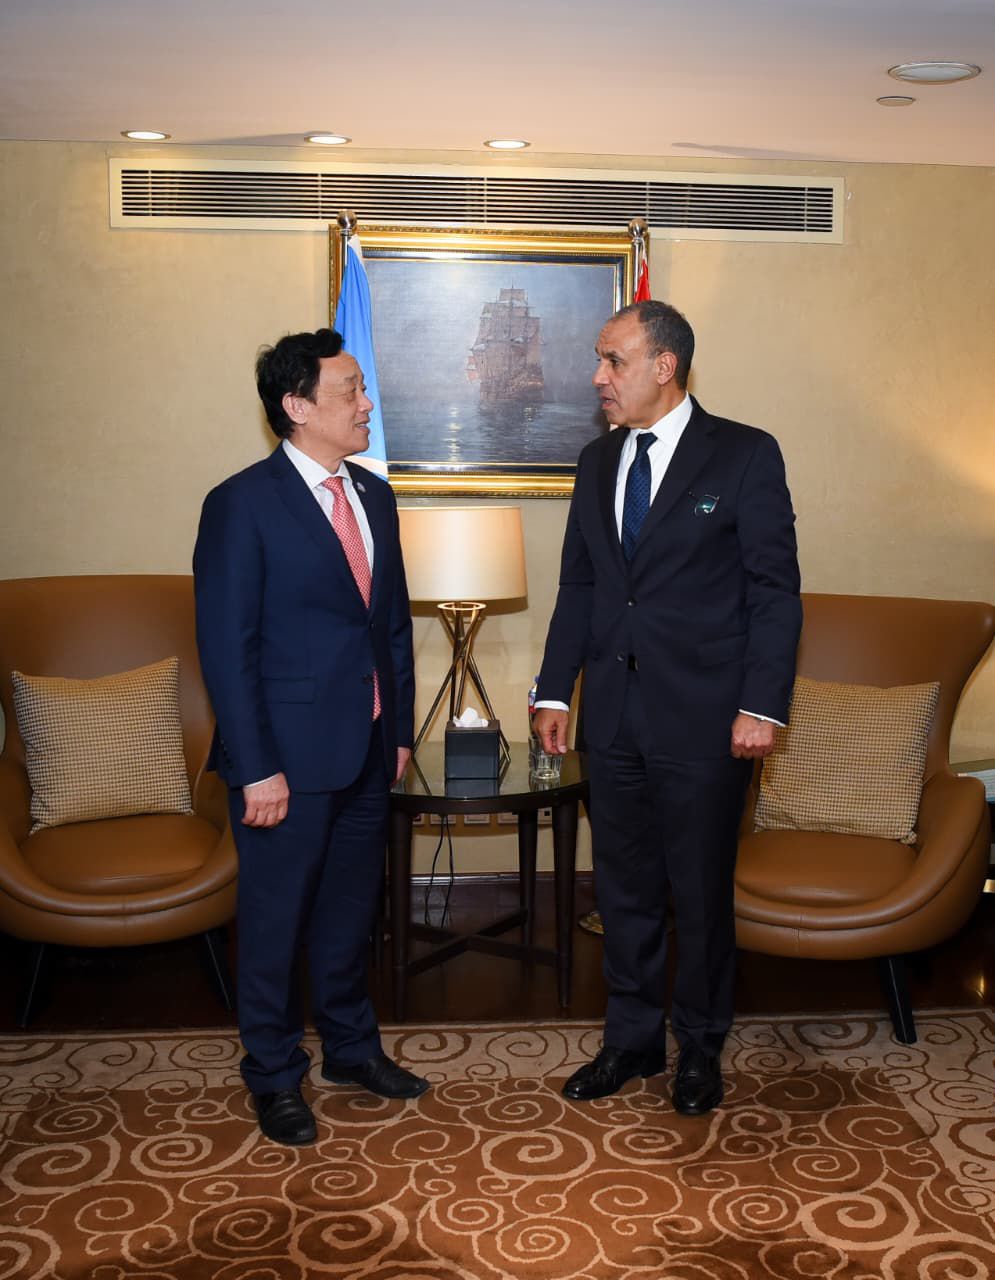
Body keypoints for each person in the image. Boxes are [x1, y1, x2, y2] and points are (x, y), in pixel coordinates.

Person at [533, 300, 801, 1116]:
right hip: (612, 716)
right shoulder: (594, 460)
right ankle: (631, 1041)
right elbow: (580, 583)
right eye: (598, 359)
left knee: (699, 891)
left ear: (663, 366)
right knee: (622, 889)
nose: (597, 376)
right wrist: (554, 688)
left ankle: (701, 1046)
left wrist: (761, 706)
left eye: (612, 360)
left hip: (707, 717)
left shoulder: (744, 454)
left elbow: (772, 590)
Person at [193, 327, 425, 1147]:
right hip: (284, 762)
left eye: (362, 387)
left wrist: (399, 731)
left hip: (367, 748)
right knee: (275, 922)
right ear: (296, 407)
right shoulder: (241, 504)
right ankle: (272, 1074)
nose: (367, 403)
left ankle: (351, 1051)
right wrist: (256, 767)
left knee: (349, 914)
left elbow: (389, 627)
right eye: (350, 390)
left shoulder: (373, 496)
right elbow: (227, 649)